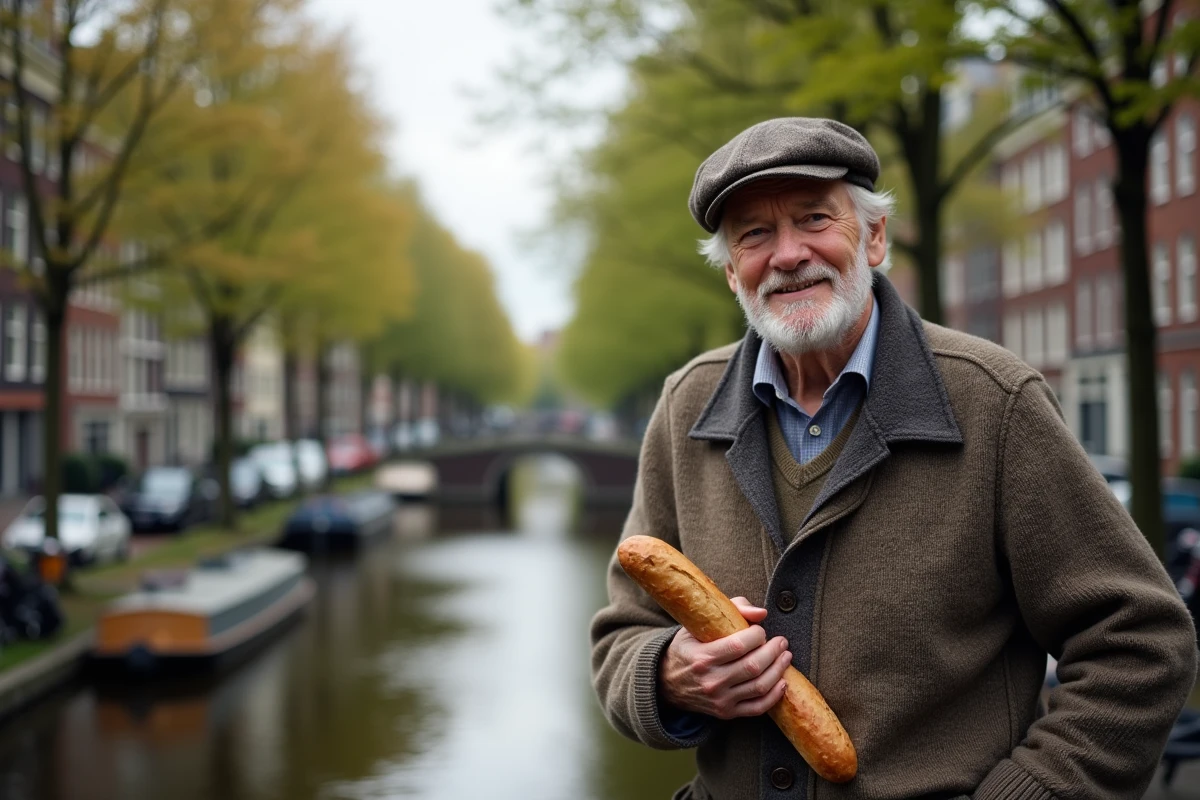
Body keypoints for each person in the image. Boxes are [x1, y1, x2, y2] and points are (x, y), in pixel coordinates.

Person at [590, 117, 1198, 800]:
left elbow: (1140, 643)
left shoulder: (995, 402)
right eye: (754, 234)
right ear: (732, 272)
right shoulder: (686, 406)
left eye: (814, 218)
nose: (788, 254)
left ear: (874, 237)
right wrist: (667, 676)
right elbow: (620, 638)